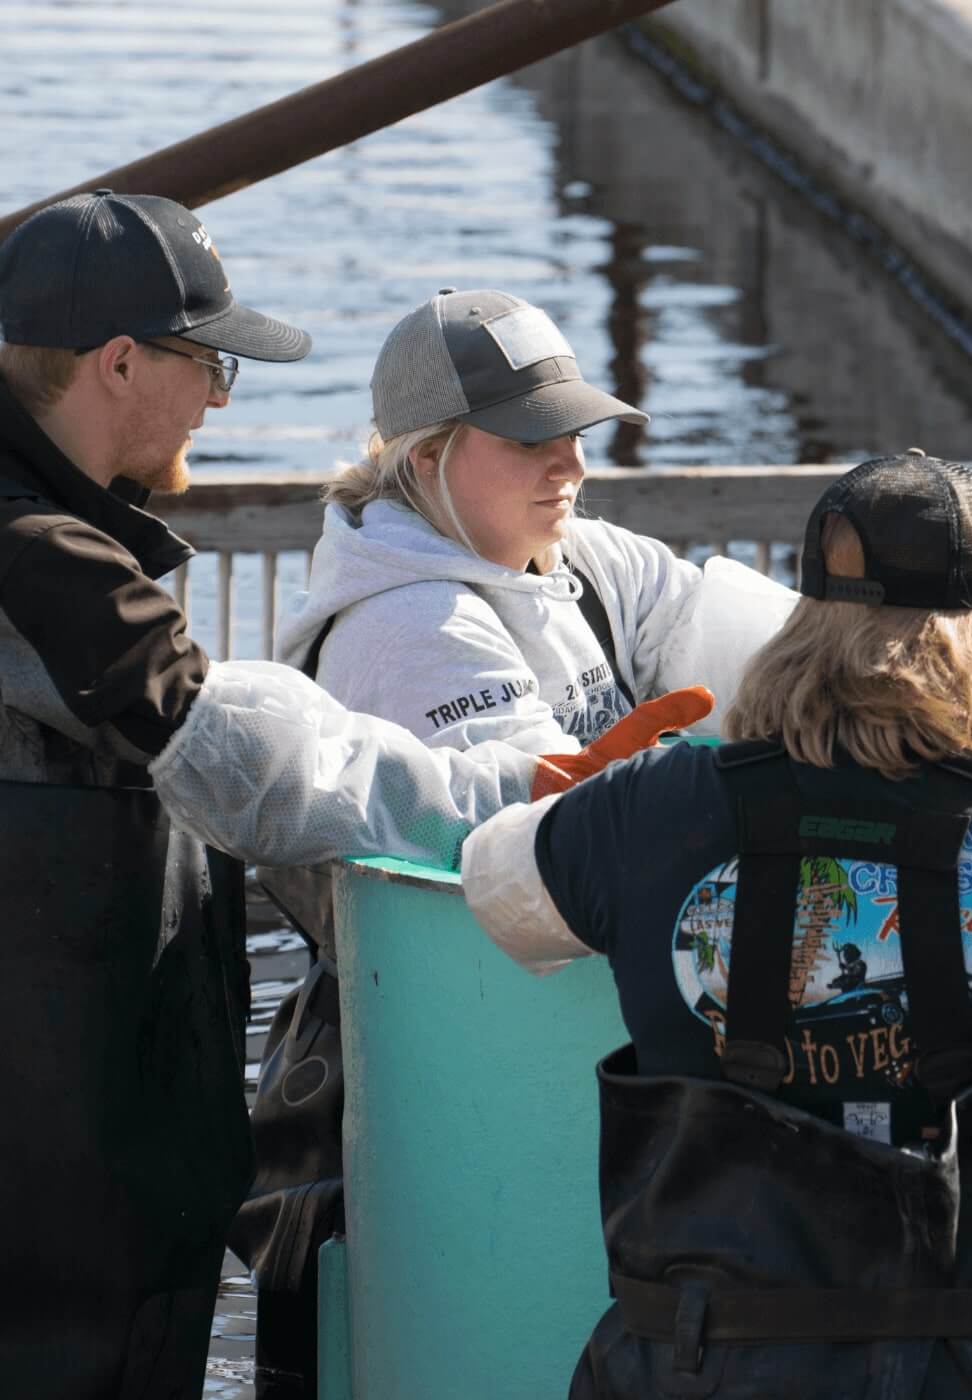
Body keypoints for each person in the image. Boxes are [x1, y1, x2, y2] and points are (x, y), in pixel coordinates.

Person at [0, 191, 703, 1400]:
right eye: (209, 364)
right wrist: (522, 782)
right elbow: (242, 763)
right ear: (118, 362)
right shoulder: (44, 561)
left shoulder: (54, 531)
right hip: (55, 1176)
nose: (220, 401)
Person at [459, 450, 972, 1398]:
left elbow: (496, 887)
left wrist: (621, 806)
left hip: (705, 1373)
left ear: (802, 626)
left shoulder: (647, 813)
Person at [275, 287, 796, 751]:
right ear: (429, 455)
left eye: (575, 434)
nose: (570, 466)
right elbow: (534, 821)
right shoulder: (412, 623)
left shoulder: (591, 561)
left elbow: (773, 659)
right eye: (529, 440)